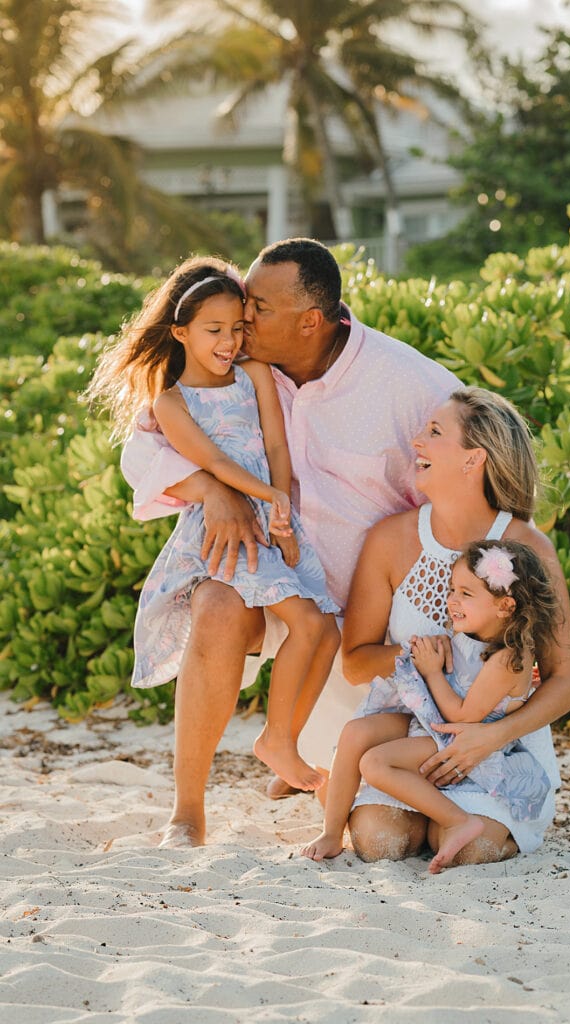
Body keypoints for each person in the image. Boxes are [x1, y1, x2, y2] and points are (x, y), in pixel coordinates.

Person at [118, 238, 457, 845]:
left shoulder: (411, 385)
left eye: (258, 310)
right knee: (217, 605)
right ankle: (187, 812)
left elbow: (479, 485)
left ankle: (299, 752)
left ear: (311, 322)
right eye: (241, 306)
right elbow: (143, 447)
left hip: (366, 624)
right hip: (269, 573)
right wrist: (213, 491)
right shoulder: (235, 365)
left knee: (384, 835)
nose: (243, 322)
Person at [87, 256, 340, 827]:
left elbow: (275, 445)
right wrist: (222, 493)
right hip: (231, 537)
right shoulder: (170, 400)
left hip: (285, 526)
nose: (231, 339)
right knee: (251, 613)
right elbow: (196, 460)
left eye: (241, 325)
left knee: (320, 624)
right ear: (180, 331)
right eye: (216, 328)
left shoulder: (256, 373)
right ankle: (194, 807)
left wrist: (278, 506)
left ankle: (281, 742)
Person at [341, 388, 570, 867]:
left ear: (474, 460)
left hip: (498, 747)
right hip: (409, 740)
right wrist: (433, 660)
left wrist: (490, 736)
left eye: (434, 432)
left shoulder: (530, 549)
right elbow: (354, 661)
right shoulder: (389, 539)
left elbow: (564, 683)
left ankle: (475, 814)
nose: (417, 441)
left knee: (471, 849)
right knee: (379, 842)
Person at [302, 539, 559, 873]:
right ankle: (331, 832)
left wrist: (432, 671)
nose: (452, 600)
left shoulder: (509, 659)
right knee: (355, 733)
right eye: (452, 590)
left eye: (466, 594)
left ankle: (457, 821)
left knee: (376, 764)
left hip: (464, 741)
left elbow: (462, 716)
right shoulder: (474, 636)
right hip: (433, 725)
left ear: (506, 606)